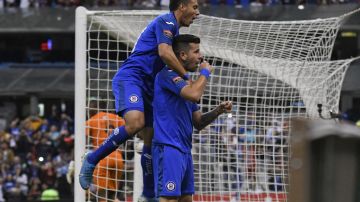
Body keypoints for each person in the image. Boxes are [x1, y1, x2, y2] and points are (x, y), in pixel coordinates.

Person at [79, 0, 200, 201]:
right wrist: (187, 78)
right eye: (194, 7)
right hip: (132, 78)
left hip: (150, 86)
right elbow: (164, 53)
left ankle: (148, 194)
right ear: (182, 6)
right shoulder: (167, 21)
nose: (197, 12)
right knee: (136, 123)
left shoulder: (175, 33)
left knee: (152, 138)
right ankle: (92, 158)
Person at [151, 34, 233, 202]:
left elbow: (198, 122)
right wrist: (204, 72)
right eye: (196, 52)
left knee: (186, 199)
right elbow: (195, 94)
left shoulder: (187, 83)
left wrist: (218, 111)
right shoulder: (167, 74)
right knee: (169, 199)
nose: (200, 56)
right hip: (169, 148)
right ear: (182, 55)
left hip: (184, 150)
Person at [85, 100, 125, 201]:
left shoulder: (91, 121)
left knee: (101, 194)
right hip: (118, 158)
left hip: (102, 158)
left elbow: (83, 138)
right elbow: (128, 128)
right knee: (112, 194)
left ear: (90, 110)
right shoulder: (116, 118)